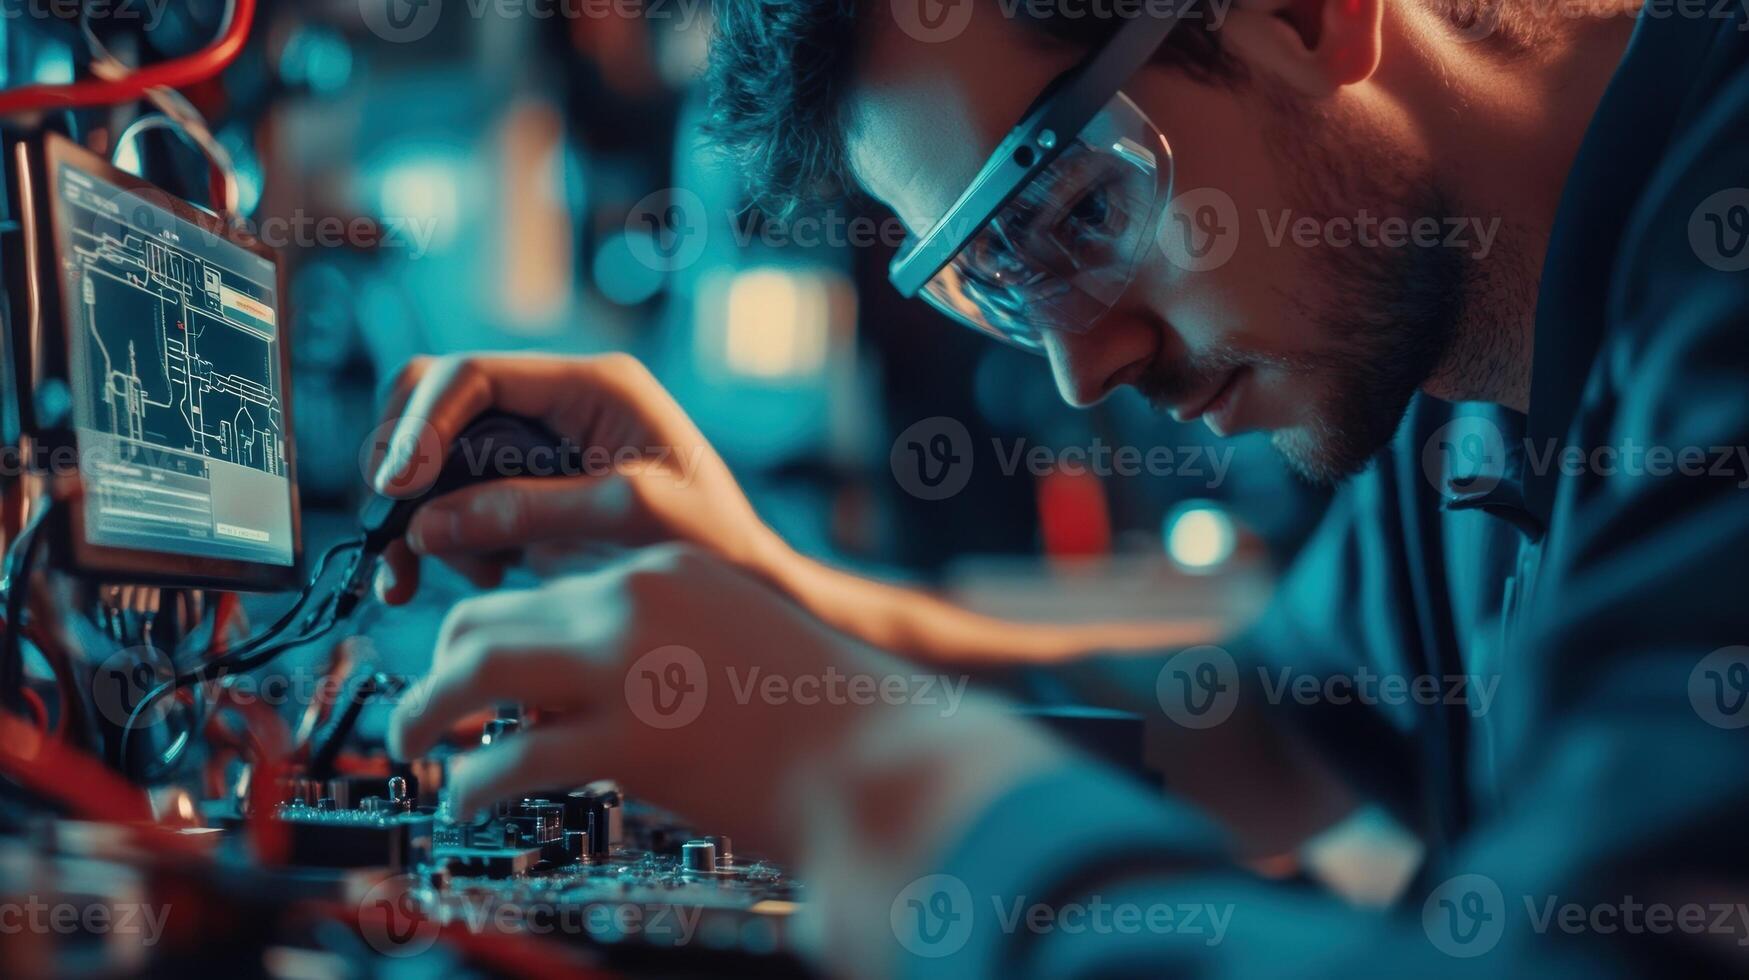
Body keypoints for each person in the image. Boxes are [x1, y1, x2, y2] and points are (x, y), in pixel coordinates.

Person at [372, 0, 1749, 973]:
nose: (1084, 370)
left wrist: (868, 779)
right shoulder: (1464, 375)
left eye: (1083, 209)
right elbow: (1265, 734)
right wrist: (775, 619)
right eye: (993, 283)